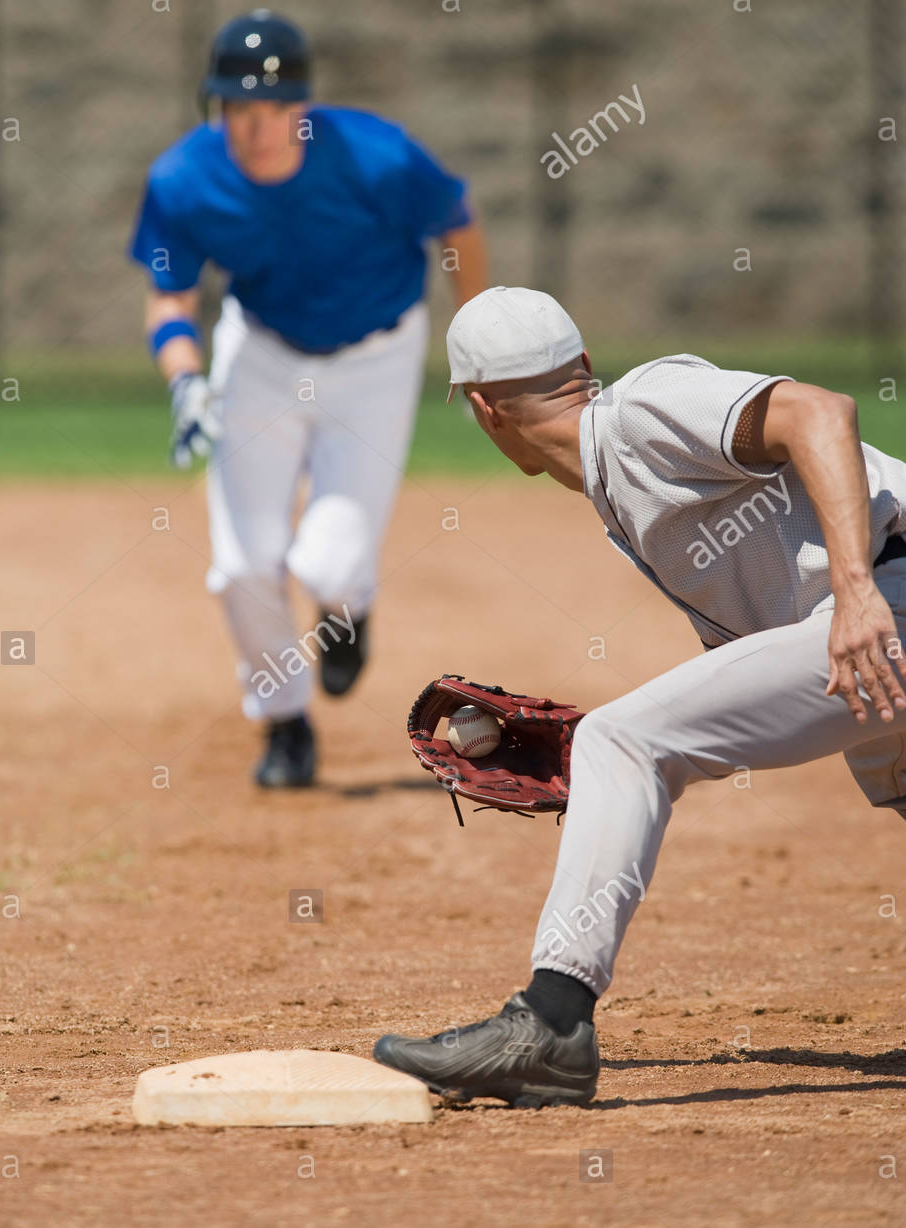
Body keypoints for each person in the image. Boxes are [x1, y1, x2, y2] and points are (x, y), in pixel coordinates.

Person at [373, 284, 906, 1109]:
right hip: (873, 622)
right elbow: (736, 688)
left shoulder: (637, 410)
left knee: (621, 741)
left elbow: (819, 412)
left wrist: (854, 593)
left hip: (884, 601)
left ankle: (550, 1024)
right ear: (578, 365)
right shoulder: (623, 487)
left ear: (483, 409)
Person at [128, 11, 487, 787]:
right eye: (237, 108)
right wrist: (186, 382)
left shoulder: (376, 157)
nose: (256, 127)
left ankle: (347, 608)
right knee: (241, 564)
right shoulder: (184, 180)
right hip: (259, 354)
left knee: (328, 561)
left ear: (303, 106)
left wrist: (476, 334)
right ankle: (284, 725)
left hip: (377, 358)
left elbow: (456, 224)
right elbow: (170, 299)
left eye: (274, 108)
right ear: (214, 106)